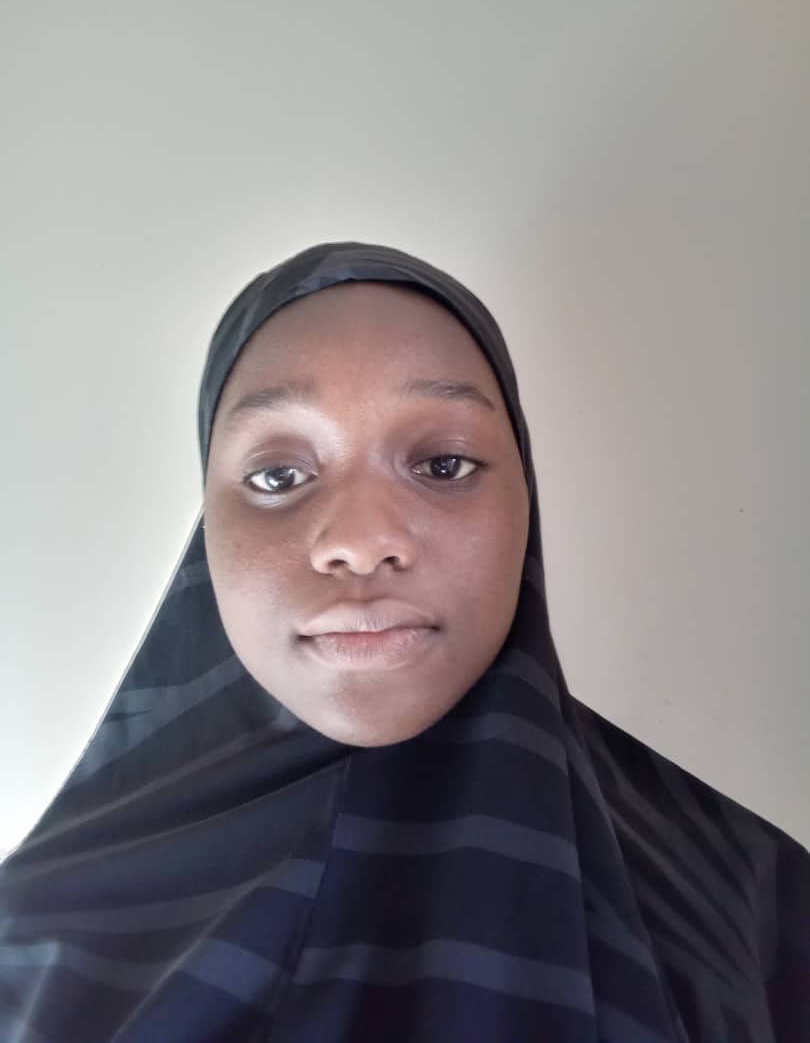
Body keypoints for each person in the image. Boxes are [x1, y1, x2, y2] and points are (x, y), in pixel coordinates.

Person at [0, 242, 807, 1042]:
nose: (360, 542)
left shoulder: (756, 902)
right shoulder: (29, 940)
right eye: (279, 476)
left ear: (524, 503)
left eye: (445, 464)